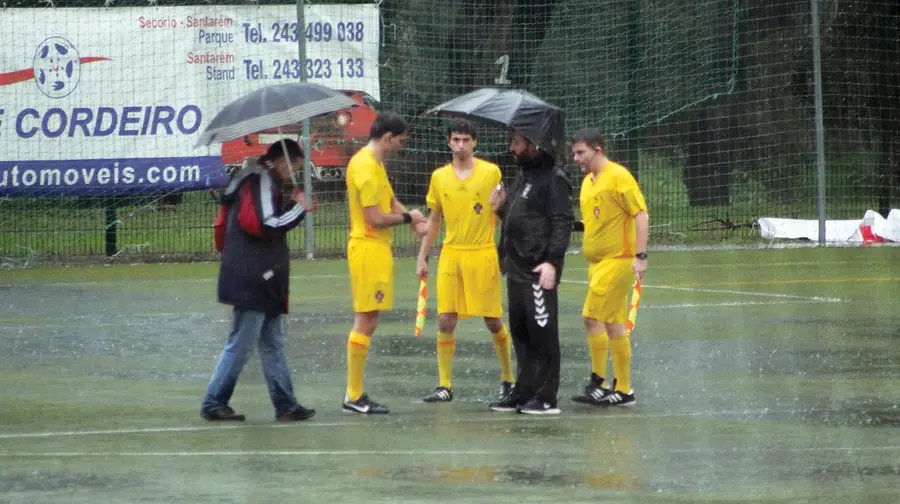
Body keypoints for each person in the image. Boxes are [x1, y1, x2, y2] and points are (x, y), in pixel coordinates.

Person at [201, 139, 319, 422]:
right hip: (254, 276)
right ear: (284, 161)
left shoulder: (255, 177)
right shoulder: (262, 179)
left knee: (272, 341)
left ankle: (286, 404)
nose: (294, 174)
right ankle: (213, 401)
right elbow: (266, 224)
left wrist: (291, 204)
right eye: (295, 168)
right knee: (242, 342)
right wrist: (298, 208)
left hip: (260, 275)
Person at [415, 119, 515, 403]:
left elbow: (501, 213)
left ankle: (508, 378)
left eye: (465, 140)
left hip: (481, 253)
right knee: (446, 319)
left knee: (493, 319)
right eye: (456, 139)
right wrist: (423, 256)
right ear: (448, 142)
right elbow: (434, 219)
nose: (460, 145)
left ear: (475, 143)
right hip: (451, 255)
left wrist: (502, 207)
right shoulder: (439, 177)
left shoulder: (490, 172)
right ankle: (444, 385)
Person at [343, 112, 428, 414]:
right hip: (367, 248)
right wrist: (409, 217)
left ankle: (354, 394)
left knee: (370, 319)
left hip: (378, 249)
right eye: (400, 141)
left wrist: (415, 222)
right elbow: (376, 218)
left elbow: (389, 202)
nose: (400, 147)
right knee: (365, 320)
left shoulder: (375, 163)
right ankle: (353, 396)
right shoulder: (365, 166)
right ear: (387, 137)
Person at [488, 132, 573, 415]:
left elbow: (562, 223)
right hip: (516, 267)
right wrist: (500, 208)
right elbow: (520, 218)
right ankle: (524, 390)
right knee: (521, 332)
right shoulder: (524, 174)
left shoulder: (554, 178)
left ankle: (547, 396)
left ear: (534, 144)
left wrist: (552, 261)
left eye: (516, 142)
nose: (511, 147)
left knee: (543, 331)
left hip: (537, 267)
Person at [569, 127, 648, 407]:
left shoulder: (619, 177)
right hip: (597, 263)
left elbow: (640, 214)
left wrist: (640, 256)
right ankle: (621, 389)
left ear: (597, 150)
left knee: (591, 317)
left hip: (618, 261)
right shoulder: (588, 182)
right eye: (574, 153)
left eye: (581, 152)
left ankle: (600, 381)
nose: (576, 158)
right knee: (613, 325)